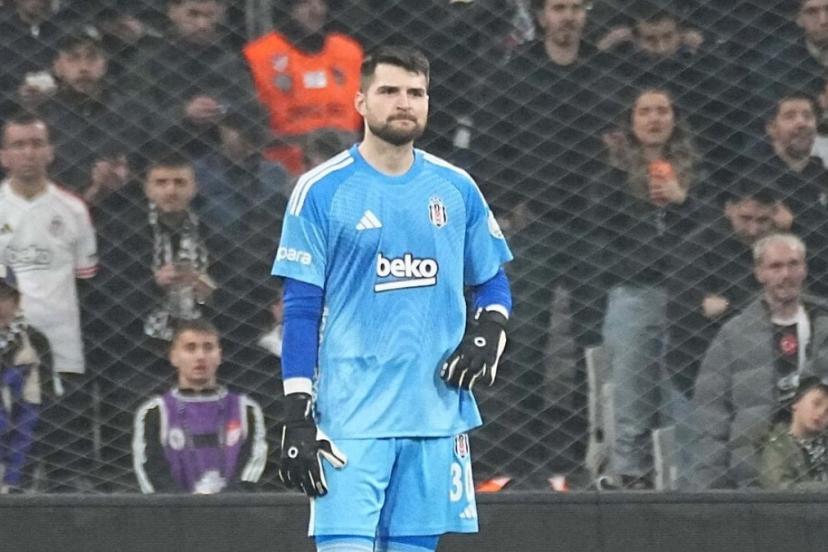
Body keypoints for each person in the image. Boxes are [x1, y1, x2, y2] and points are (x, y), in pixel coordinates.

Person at [272, 46, 512, 551]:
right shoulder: (321, 190)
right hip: (349, 418)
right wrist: (297, 412)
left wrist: (491, 327)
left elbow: (491, 281)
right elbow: (300, 310)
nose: (404, 102)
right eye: (389, 91)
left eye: (415, 93)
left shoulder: (456, 188)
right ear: (360, 102)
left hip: (434, 415)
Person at [590, 88, 704, 490]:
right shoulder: (612, 175)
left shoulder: (697, 172)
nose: (655, 119)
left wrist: (681, 199)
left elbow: (712, 226)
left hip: (688, 293)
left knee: (682, 394)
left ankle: (685, 480)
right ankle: (631, 477)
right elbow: (600, 233)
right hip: (636, 291)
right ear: (631, 121)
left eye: (662, 111)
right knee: (632, 393)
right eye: (645, 112)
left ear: (675, 118)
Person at [0, 112, 98, 491]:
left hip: (61, 353)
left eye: (36, 143)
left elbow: (85, 278)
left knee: (62, 467)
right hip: (5, 359)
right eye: (18, 144)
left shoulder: (73, 210)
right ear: (4, 155)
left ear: (51, 151)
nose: (28, 152)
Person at [690, 234, 828, 489]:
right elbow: (711, 413)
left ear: (805, 269)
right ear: (759, 273)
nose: (786, 274)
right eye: (775, 266)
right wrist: (712, 486)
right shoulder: (733, 335)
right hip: (753, 474)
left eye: (793, 264)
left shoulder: (823, 326)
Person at [667, 180, 777, 400]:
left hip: (762, 365)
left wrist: (728, 305)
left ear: (774, 214)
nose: (753, 229)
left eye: (762, 220)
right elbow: (685, 309)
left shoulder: (778, 248)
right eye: (745, 218)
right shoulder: (697, 246)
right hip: (698, 364)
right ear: (728, 208)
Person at [132, 318, 267, 494]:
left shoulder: (246, 410)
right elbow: (150, 472)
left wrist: (225, 503)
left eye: (208, 347)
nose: (200, 356)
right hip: (173, 510)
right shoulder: (154, 412)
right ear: (174, 356)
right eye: (190, 348)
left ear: (219, 355)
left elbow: (251, 471)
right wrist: (186, 507)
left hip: (234, 509)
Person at [243, 0, 363, 175]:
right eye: (305, 2)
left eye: (321, 2)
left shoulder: (349, 52)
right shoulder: (260, 54)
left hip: (348, 164)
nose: (316, 9)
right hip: (284, 170)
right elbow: (248, 128)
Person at [0, 263, 52, 493]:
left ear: (17, 300)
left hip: (16, 466)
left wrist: (14, 479)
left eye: (3, 296)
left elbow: (38, 414)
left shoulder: (34, 343)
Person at [759, 376, 828, 490]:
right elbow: (781, 489)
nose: (821, 413)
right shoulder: (777, 445)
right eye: (816, 403)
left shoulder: (824, 443)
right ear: (796, 402)